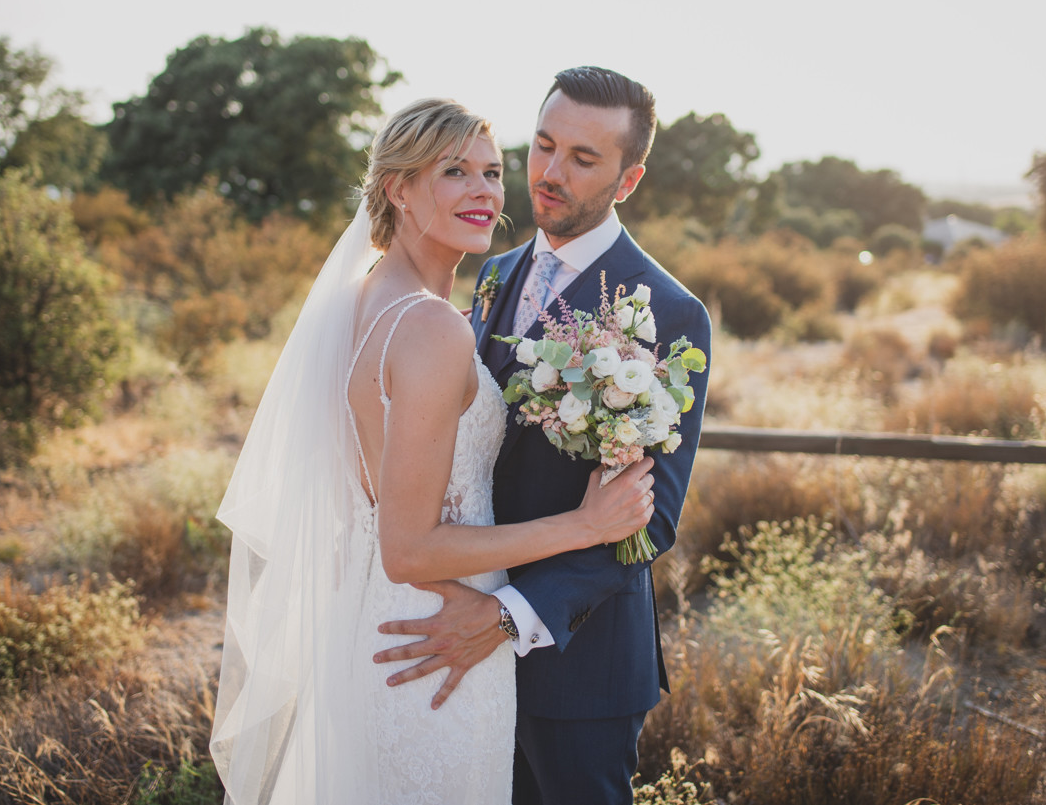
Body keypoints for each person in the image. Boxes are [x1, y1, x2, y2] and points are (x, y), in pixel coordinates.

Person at [209, 97, 659, 805]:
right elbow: (410, 547)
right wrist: (584, 524)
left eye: (491, 172)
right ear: (398, 188)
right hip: (437, 636)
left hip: (381, 622)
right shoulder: (431, 326)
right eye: (454, 172)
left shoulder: (366, 300)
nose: (484, 191)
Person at [375, 68, 712, 805]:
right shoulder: (493, 272)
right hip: (456, 643)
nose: (550, 173)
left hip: (576, 666)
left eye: (583, 158)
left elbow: (647, 520)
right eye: (544, 144)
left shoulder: (667, 309)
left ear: (628, 180)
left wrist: (505, 616)